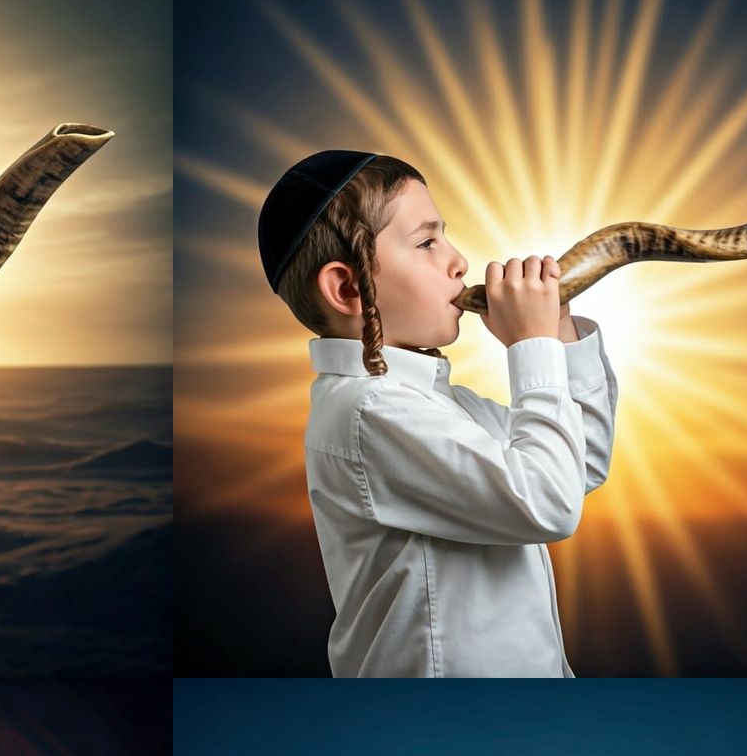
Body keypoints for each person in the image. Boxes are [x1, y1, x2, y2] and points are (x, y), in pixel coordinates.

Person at [259, 151, 621, 677]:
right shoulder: (370, 412)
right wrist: (532, 343)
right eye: (427, 242)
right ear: (348, 289)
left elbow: (578, 464)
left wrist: (559, 335)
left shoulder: (433, 401)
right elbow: (548, 504)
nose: (459, 261)